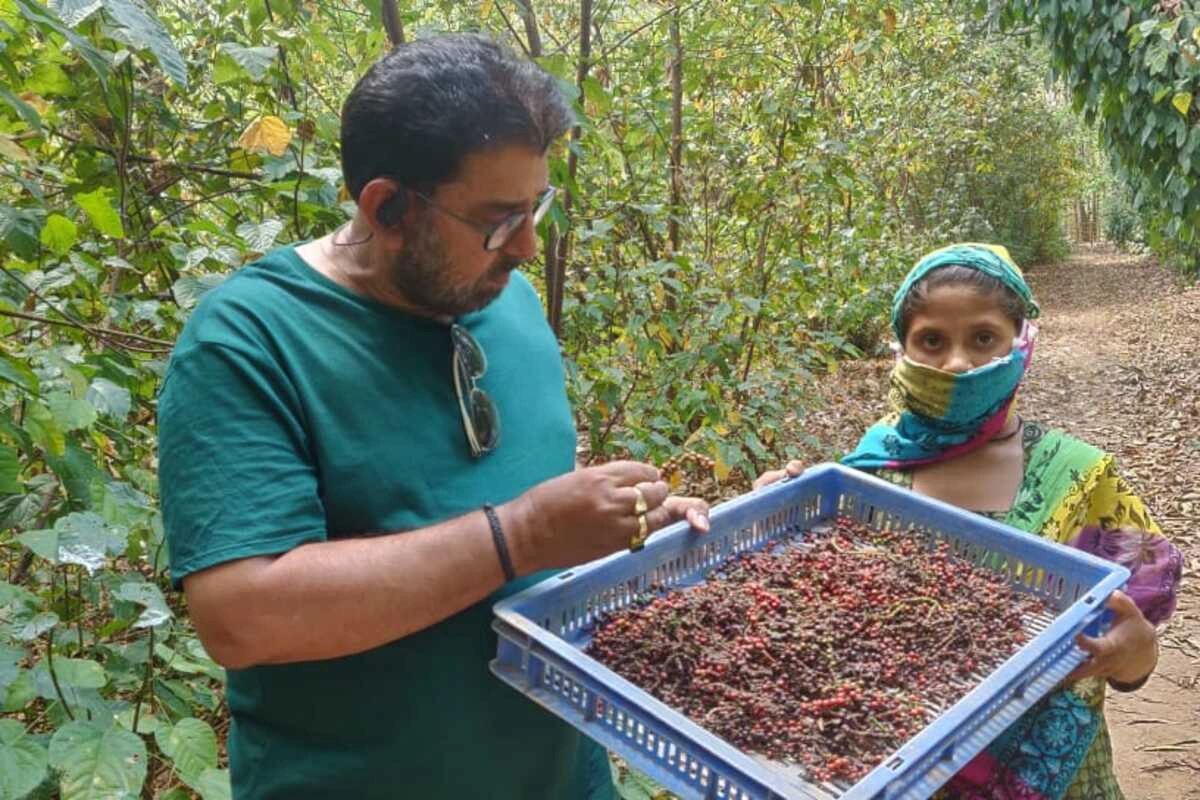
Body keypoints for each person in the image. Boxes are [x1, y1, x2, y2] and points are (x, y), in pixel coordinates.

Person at [157, 33, 708, 800]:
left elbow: (512, 492)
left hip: (560, 777)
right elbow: (242, 615)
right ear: (387, 207)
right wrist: (520, 534)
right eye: (496, 219)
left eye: (537, 205)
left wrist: (623, 526)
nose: (526, 244)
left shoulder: (499, 295)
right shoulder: (251, 340)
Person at [755, 243, 1182, 799]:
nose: (956, 363)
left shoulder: (1081, 478)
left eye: (983, 338)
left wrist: (1134, 653)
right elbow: (818, 621)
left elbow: (1134, 652)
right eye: (932, 340)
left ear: (1020, 343)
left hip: (1054, 776)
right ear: (901, 348)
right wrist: (772, 525)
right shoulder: (865, 473)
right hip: (903, 763)